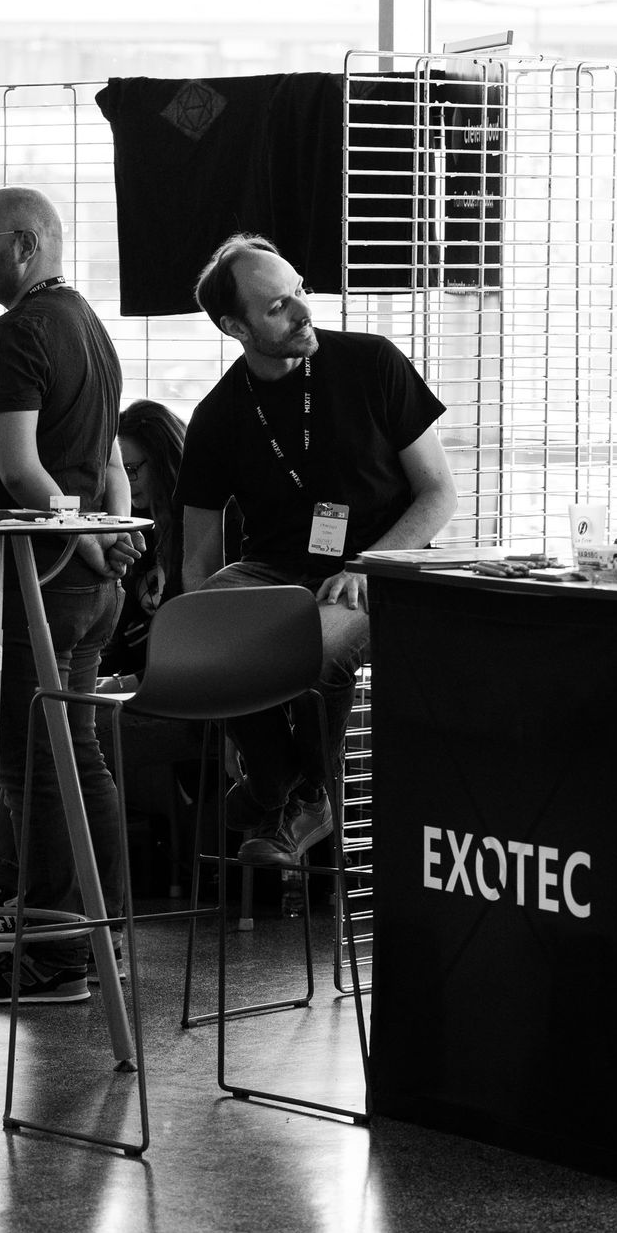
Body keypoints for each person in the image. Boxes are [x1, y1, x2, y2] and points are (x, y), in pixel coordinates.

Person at [177, 233, 455, 867]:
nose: (305, 311)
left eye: (300, 290)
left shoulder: (371, 362)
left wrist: (367, 565)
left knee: (318, 646)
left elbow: (438, 494)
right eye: (279, 306)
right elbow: (199, 562)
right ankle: (285, 786)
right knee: (204, 621)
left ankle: (290, 798)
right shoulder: (218, 414)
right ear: (235, 327)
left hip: (383, 566)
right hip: (276, 572)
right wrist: (218, 671)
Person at [0, 185, 140, 1007]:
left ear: (24, 245)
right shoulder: (89, 325)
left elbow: (21, 472)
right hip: (80, 585)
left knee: (36, 767)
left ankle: (57, 957)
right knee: (71, 755)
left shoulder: (18, 332)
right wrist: (108, 538)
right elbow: (110, 466)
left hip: (33, 581)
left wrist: (87, 540)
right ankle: (94, 934)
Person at [102, 398, 188, 685]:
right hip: (139, 681)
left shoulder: (201, 527)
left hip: (177, 684)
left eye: (131, 469)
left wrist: (127, 684)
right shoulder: (138, 525)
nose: (124, 483)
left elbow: (198, 636)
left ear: (163, 460)